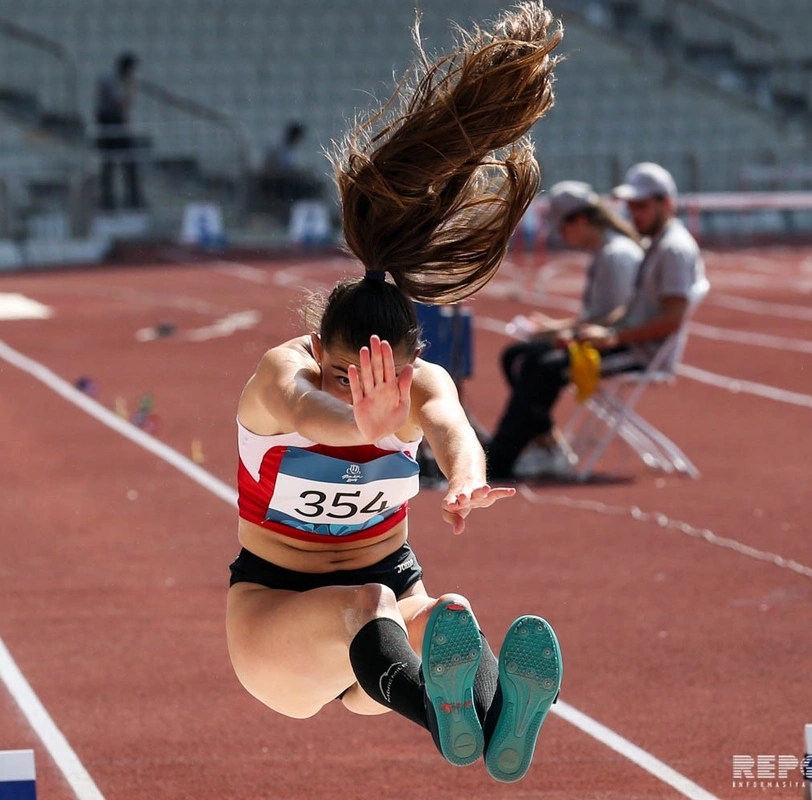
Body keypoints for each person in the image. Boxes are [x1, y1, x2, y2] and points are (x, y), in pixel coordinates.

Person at [227, 2, 563, 784]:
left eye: (388, 377)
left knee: (445, 615)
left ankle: (497, 725)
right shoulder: (282, 376)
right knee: (367, 607)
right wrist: (360, 424)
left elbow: (451, 427)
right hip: (279, 617)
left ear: (416, 360)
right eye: (345, 374)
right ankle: (452, 719)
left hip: (391, 591)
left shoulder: (421, 386)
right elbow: (312, 414)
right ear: (317, 349)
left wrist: (467, 478)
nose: (367, 391)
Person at [486, 162, 707, 481]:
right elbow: (627, 311)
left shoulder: (672, 249)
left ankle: (502, 460)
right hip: (628, 342)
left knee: (543, 367)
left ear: (667, 202)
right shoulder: (658, 244)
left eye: (642, 205)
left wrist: (612, 337)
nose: (634, 213)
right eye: (631, 206)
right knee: (531, 361)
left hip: (639, 352)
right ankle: (513, 454)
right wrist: (598, 332)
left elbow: (672, 319)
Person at [503, 180, 642, 478]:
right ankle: (542, 446)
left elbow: (611, 321)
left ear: (579, 219)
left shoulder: (616, 255)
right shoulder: (607, 252)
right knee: (518, 355)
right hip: (604, 339)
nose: (562, 237)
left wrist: (558, 332)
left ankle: (508, 456)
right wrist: (553, 328)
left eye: (562, 229)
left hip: (622, 346)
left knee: (540, 366)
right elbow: (599, 317)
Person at [95, 52, 143, 210]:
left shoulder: (114, 79)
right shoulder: (111, 80)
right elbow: (120, 105)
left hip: (116, 123)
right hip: (109, 124)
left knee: (127, 162)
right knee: (110, 163)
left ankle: (132, 198)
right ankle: (109, 200)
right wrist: (130, 89)